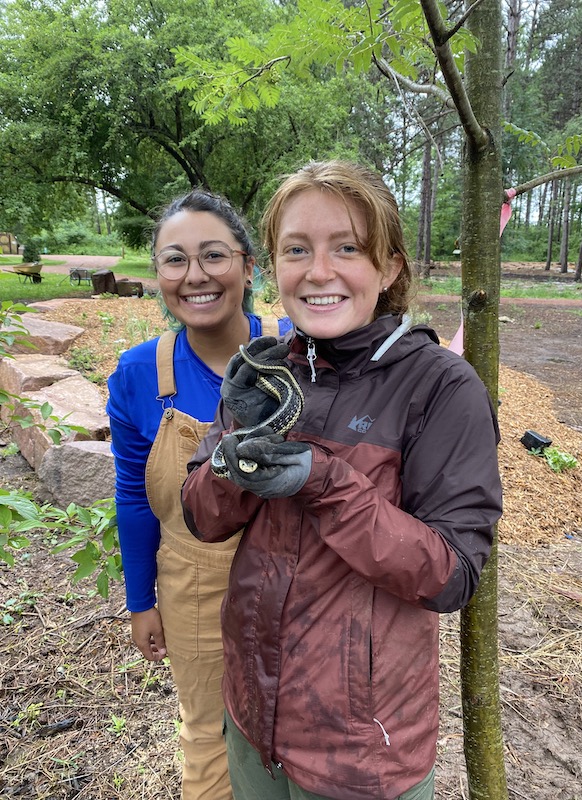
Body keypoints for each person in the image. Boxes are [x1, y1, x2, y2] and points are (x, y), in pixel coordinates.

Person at [181, 161, 502, 800]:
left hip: (362, 755)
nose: (319, 271)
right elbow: (203, 518)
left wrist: (325, 482)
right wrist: (231, 455)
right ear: (274, 267)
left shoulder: (441, 387)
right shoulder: (270, 372)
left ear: (389, 268)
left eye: (347, 247)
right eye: (297, 249)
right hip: (252, 722)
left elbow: (452, 574)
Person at [106, 188, 290, 800]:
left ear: (248, 266)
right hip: (193, 587)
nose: (195, 276)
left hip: (301, 575)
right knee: (211, 737)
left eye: (214, 255)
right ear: (157, 273)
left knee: (301, 734)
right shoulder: (138, 375)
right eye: (174, 260)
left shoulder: (299, 351)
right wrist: (140, 601)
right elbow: (134, 499)